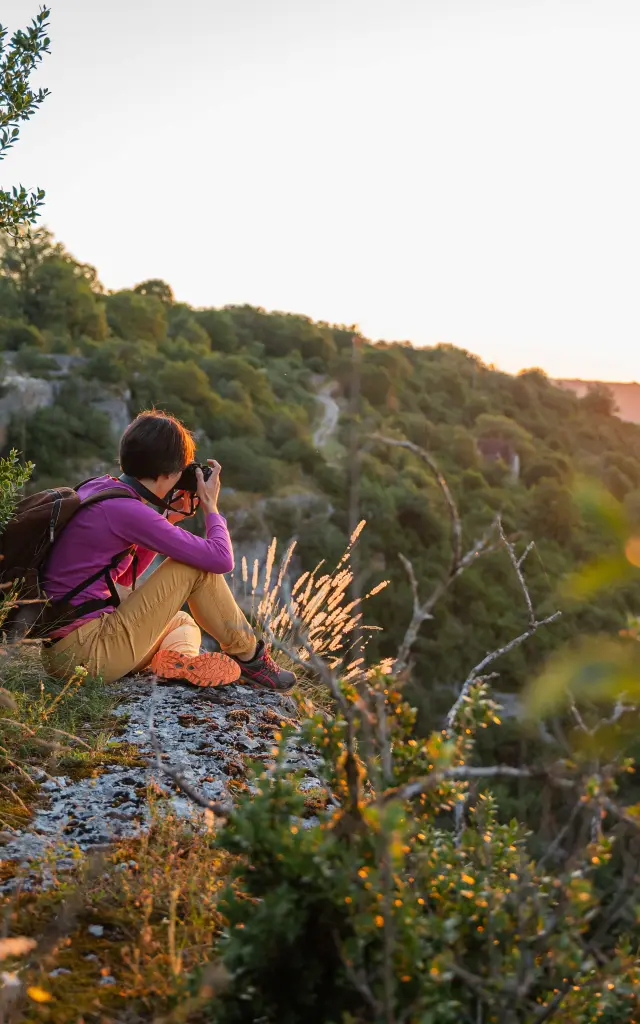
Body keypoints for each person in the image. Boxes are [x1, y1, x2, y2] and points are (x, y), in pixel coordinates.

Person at [41, 410, 295, 692]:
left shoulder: (101, 488)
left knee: (181, 622)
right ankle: (252, 658)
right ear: (170, 473)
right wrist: (210, 506)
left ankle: (180, 665)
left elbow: (124, 578)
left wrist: (169, 519)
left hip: (62, 652)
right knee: (192, 568)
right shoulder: (128, 510)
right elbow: (220, 559)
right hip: (89, 655)